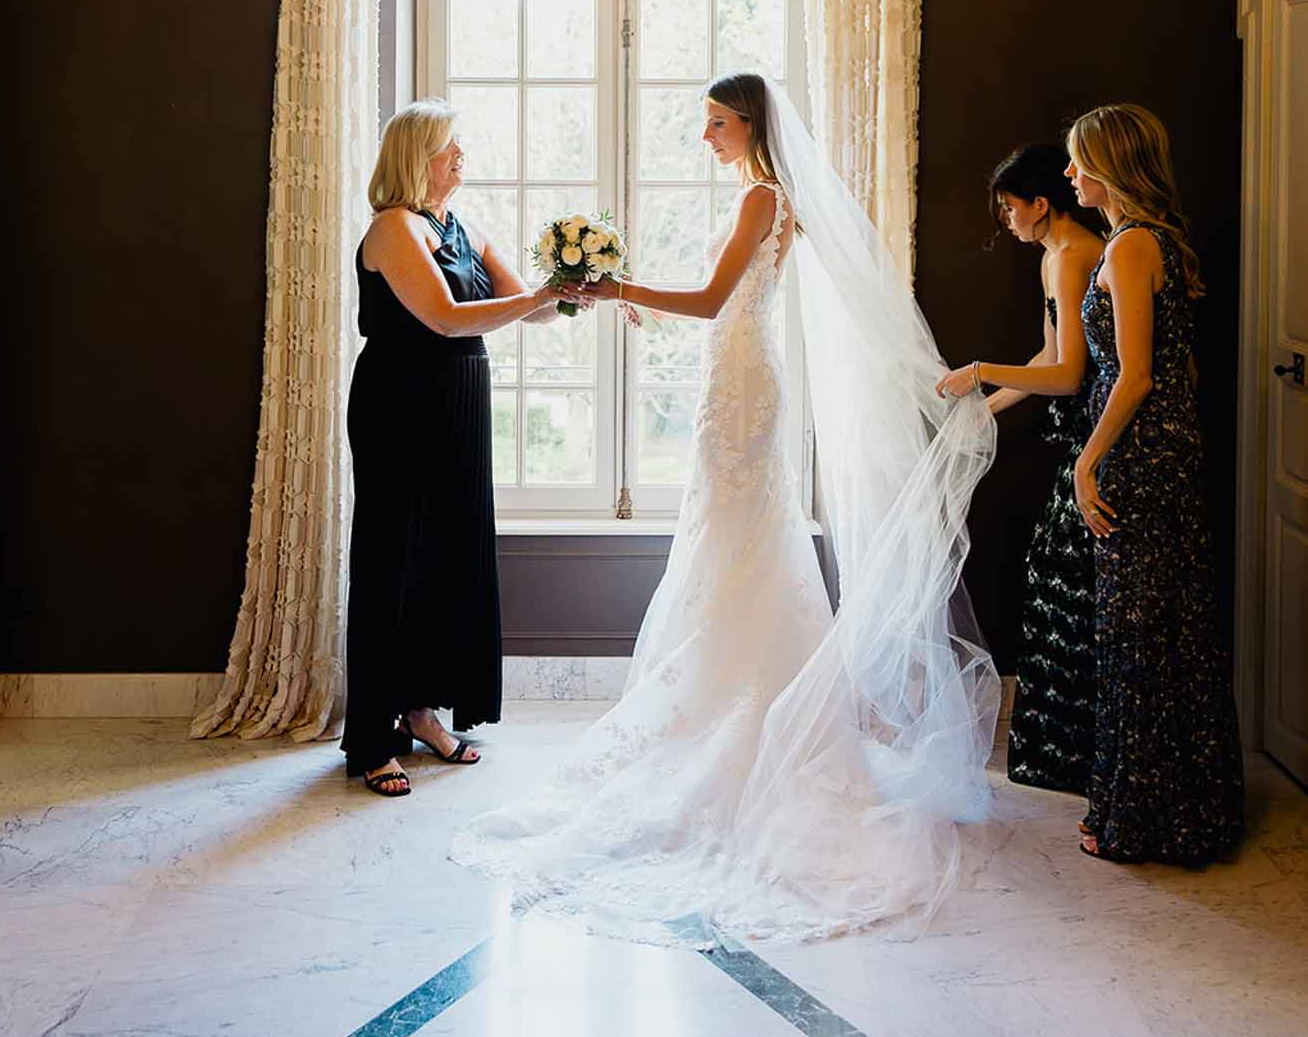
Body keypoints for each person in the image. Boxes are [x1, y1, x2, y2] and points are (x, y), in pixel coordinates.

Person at [450, 72, 999, 943]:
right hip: (735, 378)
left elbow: (711, 301)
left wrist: (616, 290)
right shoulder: (763, 198)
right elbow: (724, 303)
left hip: (742, 390)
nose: (704, 134)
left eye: (716, 122)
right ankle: (740, 701)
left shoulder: (762, 198)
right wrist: (623, 295)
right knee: (735, 547)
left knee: (740, 542)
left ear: (750, 124)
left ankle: (748, 716)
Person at [343, 101, 561, 796]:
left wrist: (581, 279)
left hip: (461, 398)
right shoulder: (394, 227)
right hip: (400, 402)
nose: (461, 153)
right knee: (393, 561)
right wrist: (539, 299)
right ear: (418, 156)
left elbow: (530, 302)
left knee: (446, 560)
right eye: (448, 145)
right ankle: (374, 737)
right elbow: (441, 317)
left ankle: (422, 712)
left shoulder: (461, 225)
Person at [1062, 103, 1243, 864]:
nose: (1069, 175)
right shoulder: (1153, 240)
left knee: (1139, 636)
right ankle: (1177, 810)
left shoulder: (1133, 246)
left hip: (1139, 455)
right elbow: (1179, 369)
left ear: (1109, 166)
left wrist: (1086, 461)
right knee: (1161, 628)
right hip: (1164, 448)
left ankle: (1141, 821)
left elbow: (1134, 374)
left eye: (1078, 162)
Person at [935, 146, 1104, 794]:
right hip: (1072, 431)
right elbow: (1045, 353)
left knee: (1061, 581)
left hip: (1096, 433)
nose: (1005, 220)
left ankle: (1078, 754)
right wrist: (987, 408)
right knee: (1059, 582)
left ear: (1041, 204)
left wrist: (979, 374)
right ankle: (1067, 753)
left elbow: (1068, 375)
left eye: (1009, 208)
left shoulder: (1073, 256)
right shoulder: (1048, 258)